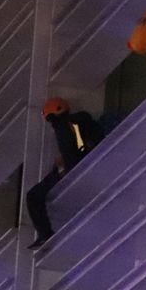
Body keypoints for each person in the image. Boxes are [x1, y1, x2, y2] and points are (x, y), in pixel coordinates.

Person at [27, 97, 103, 249]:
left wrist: (64, 170)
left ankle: (45, 234)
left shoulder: (62, 127)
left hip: (74, 168)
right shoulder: (83, 120)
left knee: (33, 196)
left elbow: (70, 152)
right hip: (91, 163)